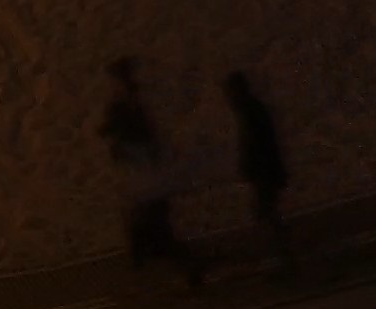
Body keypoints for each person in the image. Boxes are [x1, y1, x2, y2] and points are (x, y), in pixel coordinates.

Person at [100, 57, 200, 290]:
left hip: (145, 187)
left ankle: (184, 273)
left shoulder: (127, 109)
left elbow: (122, 131)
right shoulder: (132, 105)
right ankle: (183, 272)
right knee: (156, 234)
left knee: (155, 235)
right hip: (147, 184)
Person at [221, 70, 291, 273]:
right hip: (264, 171)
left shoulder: (250, 112)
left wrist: (249, 167)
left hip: (263, 172)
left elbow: (256, 145)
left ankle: (279, 257)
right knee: (267, 214)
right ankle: (281, 255)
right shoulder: (253, 110)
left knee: (264, 214)